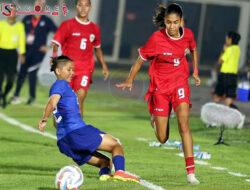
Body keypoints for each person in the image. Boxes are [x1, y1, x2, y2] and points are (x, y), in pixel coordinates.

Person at [116, 4, 200, 184]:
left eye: (175, 22)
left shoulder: (188, 35)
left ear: (181, 22)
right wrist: (130, 79)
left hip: (180, 84)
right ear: (164, 22)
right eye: (168, 22)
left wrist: (195, 71)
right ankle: (155, 119)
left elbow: (193, 48)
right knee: (163, 138)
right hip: (160, 88)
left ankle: (191, 173)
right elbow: (140, 60)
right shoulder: (156, 39)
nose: (171, 26)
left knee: (183, 123)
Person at [38, 56, 139, 183]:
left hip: (64, 141)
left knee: (106, 162)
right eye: (69, 69)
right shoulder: (61, 84)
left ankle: (105, 174)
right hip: (77, 132)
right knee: (116, 145)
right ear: (58, 71)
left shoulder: (61, 87)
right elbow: (52, 102)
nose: (72, 72)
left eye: (73, 69)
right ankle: (121, 172)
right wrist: (45, 118)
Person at [51, 0, 109, 118]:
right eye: (80, 5)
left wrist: (104, 66)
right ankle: (61, 131)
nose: (83, 8)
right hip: (66, 71)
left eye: (86, 5)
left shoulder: (95, 28)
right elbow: (56, 43)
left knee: (78, 101)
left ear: (90, 8)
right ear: (76, 7)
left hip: (85, 69)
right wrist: (55, 57)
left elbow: (97, 49)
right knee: (61, 103)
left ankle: (77, 133)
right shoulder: (67, 25)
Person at [11, 0, 57, 105]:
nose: (39, 6)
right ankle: (16, 95)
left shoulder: (47, 21)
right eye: (37, 4)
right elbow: (19, 33)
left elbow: (58, 33)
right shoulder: (27, 19)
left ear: (44, 7)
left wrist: (49, 46)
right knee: (22, 73)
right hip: (26, 50)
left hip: (38, 52)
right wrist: (20, 52)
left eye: (41, 5)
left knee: (32, 73)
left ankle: (32, 98)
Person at [0, 5, 25, 108]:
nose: (13, 13)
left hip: (12, 54)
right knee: (0, 79)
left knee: (11, 79)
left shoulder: (20, 26)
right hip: (1, 52)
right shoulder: (1, 24)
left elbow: (22, 41)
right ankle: (2, 97)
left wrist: (21, 54)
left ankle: (4, 96)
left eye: (15, 11)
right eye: (11, 11)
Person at [213, 31, 241, 106]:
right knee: (229, 96)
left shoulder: (229, 49)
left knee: (217, 96)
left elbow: (220, 61)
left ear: (230, 39)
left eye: (227, 38)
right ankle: (229, 112)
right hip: (233, 76)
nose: (226, 40)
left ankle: (216, 111)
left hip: (225, 75)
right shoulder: (237, 49)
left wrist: (224, 51)